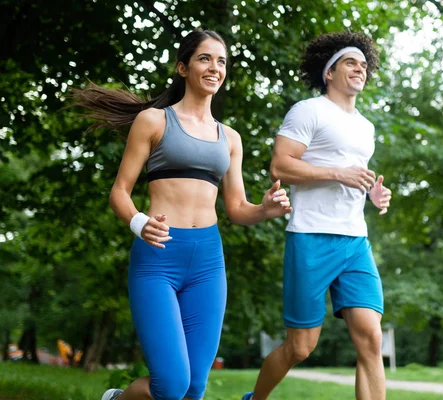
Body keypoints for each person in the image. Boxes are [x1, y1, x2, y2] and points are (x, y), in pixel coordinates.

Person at [71, 29, 292, 400]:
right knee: (171, 386)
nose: (214, 67)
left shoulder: (230, 137)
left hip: (207, 260)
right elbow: (120, 192)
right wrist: (139, 223)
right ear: (183, 67)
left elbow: (237, 209)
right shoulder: (154, 121)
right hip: (158, 257)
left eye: (221, 61)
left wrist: (265, 209)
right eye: (205, 58)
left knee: (194, 388)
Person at [242, 31, 392, 400]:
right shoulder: (308, 111)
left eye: (363, 64)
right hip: (311, 236)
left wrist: (372, 192)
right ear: (330, 72)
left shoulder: (366, 127)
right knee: (300, 347)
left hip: (355, 240)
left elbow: (352, 174)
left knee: (372, 338)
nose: (360, 69)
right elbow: (281, 165)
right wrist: (339, 174)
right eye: (350, 63)